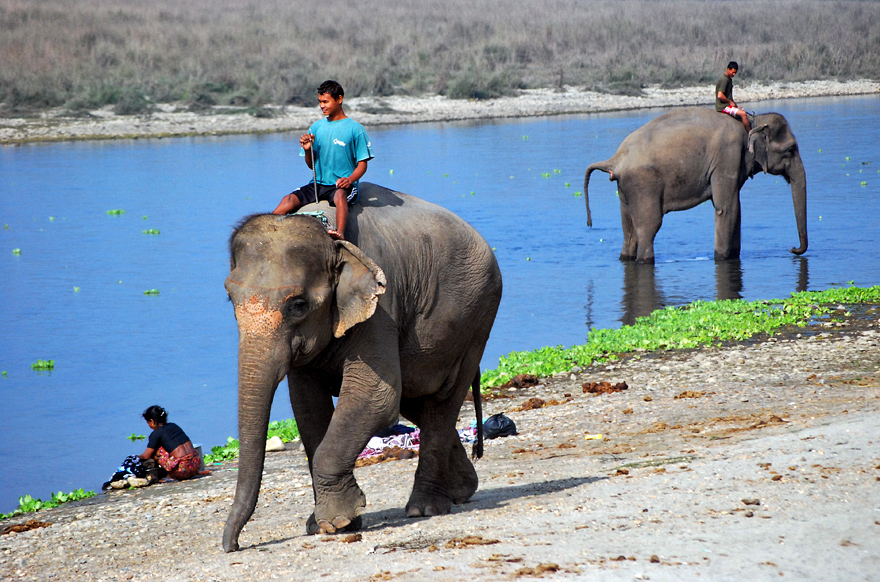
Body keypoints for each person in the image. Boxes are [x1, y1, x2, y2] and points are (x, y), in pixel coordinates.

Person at [272, 80, 374, 240]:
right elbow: (311, 165)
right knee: (288, 200)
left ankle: (340, 232)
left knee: (340, 195)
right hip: (317, 185)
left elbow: (362, 165)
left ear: (339, 99)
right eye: (320, 102)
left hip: (341, 187)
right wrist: (308, 151)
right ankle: (267, 229)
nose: (321, 106)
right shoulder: (316, 127)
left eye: (325, 101)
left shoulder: (355, 129)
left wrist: (350, 180)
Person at [138, 405, 201, 481]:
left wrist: (136, 457)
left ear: (152, 421)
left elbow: (146, 456)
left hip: (183, 470)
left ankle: (167, 476)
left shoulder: (156, 433)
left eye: (148, 422)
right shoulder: (174, 426)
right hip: (196, 464)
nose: (149, 426)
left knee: (157, 450)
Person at [715, 61, 751, 131]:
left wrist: (736, 106)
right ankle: (749, 132)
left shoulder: (729, 79)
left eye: (735, 73)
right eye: (733, 72)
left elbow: (728, 96)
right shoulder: (724, 80)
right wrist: (730, 102)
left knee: (742, 110)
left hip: (727, 104)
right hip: (723, 106)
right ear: (728, 69)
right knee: (743, 114)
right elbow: (720, 95)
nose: (734, 74)